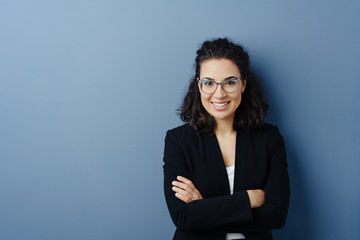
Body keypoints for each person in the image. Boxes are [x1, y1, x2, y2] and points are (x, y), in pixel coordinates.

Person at [163, 38, 290, 240]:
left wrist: (204, 208)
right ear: (199, 85)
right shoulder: (178, 140)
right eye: (209, 83)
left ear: (243, 84)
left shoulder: (270, 139)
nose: (219, 94)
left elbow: (276, 216)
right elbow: (183, 217)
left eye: (230, 82)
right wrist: (249, 199)